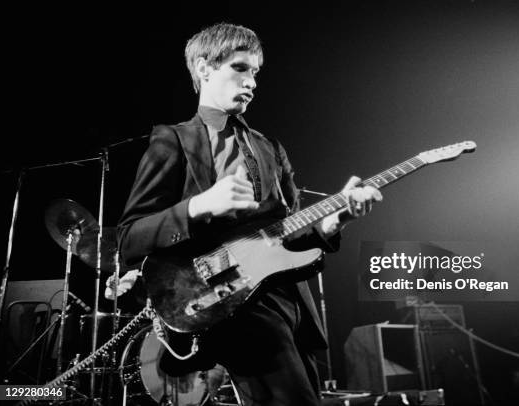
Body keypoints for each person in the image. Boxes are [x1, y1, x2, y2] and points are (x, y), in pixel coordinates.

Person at [117, 22, 382, 406]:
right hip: (223, 295)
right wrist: (199, 205)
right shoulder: (172, 140)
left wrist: (333, 220)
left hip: (285, 299)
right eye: (240, 68)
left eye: (255, 72)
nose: (252, 81)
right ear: (205, 68)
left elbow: (288, 233)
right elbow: (129, 237)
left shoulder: (270, 148)